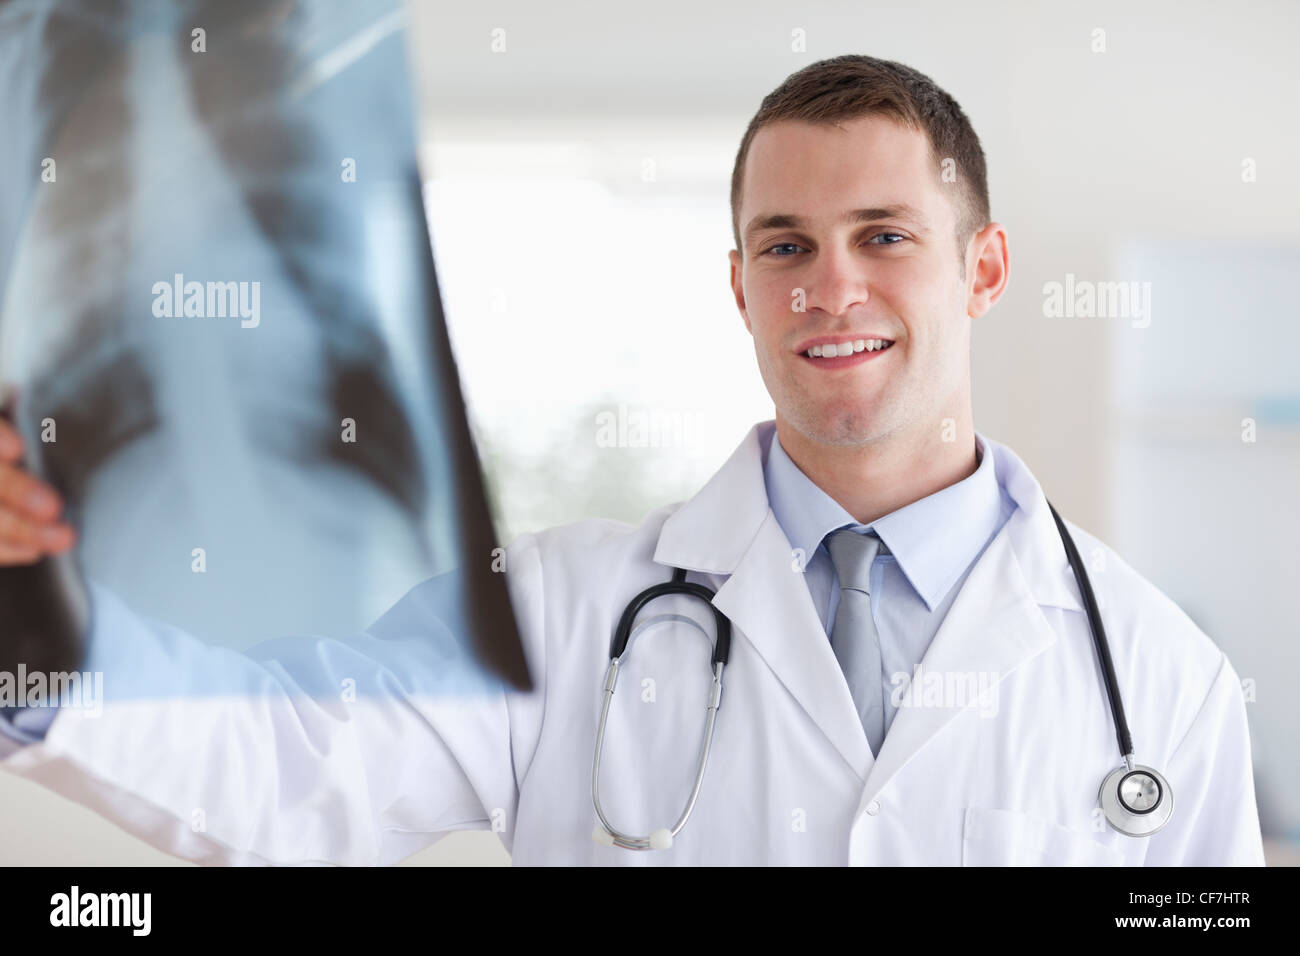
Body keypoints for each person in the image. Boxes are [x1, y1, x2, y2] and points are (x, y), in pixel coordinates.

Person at [0, 55, 1264, 866]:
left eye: (883, 235)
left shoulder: (1157, 676)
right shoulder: (560, 612)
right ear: (739, 285)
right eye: (784, 246)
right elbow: (287, 769)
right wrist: (45, 637)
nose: (831, 286)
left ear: (981, 267)